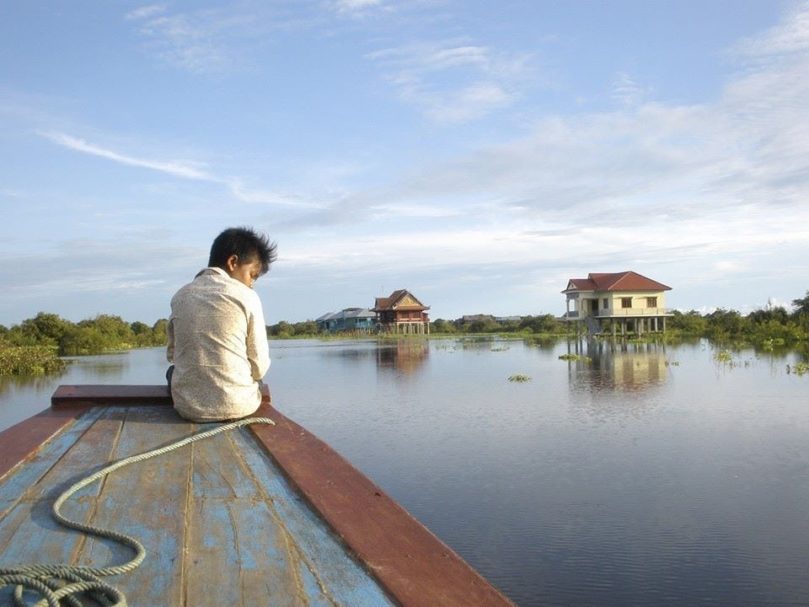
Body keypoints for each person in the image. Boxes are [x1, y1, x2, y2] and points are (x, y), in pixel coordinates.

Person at [167, 227, 277, 422]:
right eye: (252, 275)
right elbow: (259, 367)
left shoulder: (180, 296)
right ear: (233, 262)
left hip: (187, 409)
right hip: (240, 407)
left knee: (171, 372)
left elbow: (172, 355)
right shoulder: (247, 297)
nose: (252, 284)